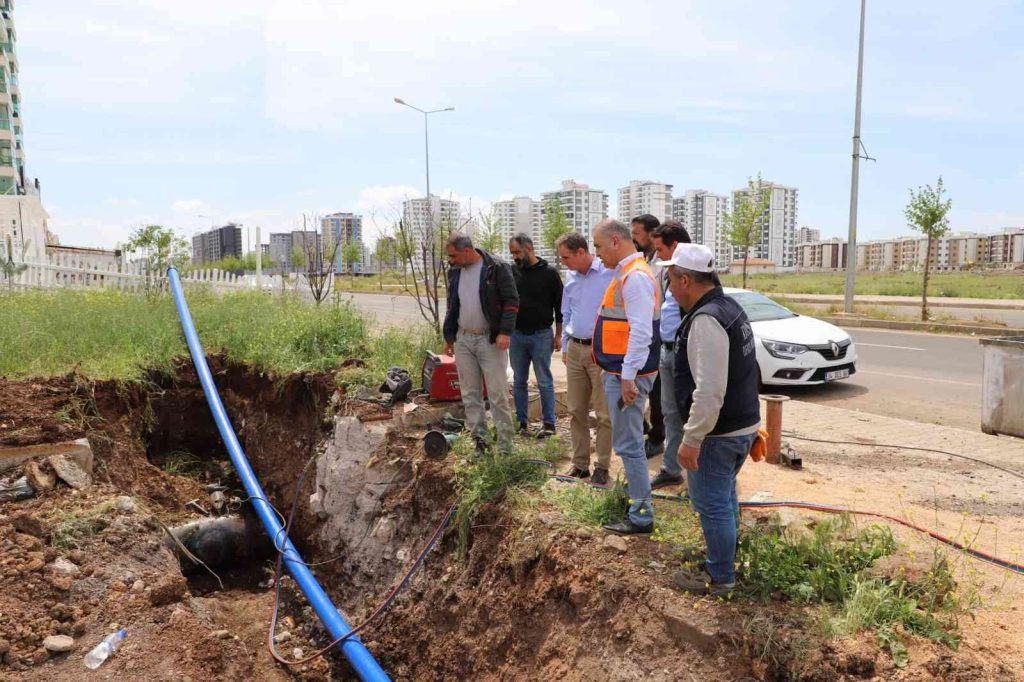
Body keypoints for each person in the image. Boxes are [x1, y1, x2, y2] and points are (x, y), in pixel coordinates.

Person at [658, 243, 761, 596]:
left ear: (685, 280)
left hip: (718, 433)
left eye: (670, 280)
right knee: (725, 497)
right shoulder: (729, 306)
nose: (669, 289)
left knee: (712, 503)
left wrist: (691, 438)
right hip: (741, 424)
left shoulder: (706, 320)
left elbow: (710, 390)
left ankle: (720, 578)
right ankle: (725, 559)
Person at [592, 219, 662, 535]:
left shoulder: (635, 278)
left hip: (626, 374)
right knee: (628, 441)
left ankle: (641, 515)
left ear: (616, 241)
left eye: (598, 246)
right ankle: (636, 501)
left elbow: (642, 332)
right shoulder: (629, 273)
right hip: (621, 371)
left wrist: (628, 377)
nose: (597, 254)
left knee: (629, 443)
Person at [442, 233, 519, 454]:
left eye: (453, 255)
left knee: (497, 395)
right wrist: (449, 337)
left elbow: (511, 301)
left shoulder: (496, 267)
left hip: (490, 339)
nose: (451, 260)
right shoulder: (455, 272)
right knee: (470, 394)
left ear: (467, 251)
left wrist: (505, 332)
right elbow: (452, 305)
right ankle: (481, 444)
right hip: (463, 339)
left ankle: (505, 448)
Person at [555, 232, 615, 486]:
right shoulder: (570, 276)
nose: (563, 262)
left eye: (566, 257)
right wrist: (567, 346)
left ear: (581, 252)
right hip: (576, 350)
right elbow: (567, 312)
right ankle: (580, 465)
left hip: (600, 351)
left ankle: (602, 466)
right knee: (576, 410)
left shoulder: (608, 272)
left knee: (603, 414)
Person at [647, 220, 692, 490]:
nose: (658, 255)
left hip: (685, 354)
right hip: (667, 351)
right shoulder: (667, 271)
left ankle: (699, 476)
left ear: (674, 245)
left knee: (692, 415)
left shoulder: (696, 271)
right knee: (670, 414)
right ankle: (671, 469)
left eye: (661, 249)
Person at [507, 234, 563, 437]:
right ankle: (522, 423)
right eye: (512, 253)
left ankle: (549, 425)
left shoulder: (549, 273)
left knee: (544, 381)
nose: (514, 257)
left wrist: (558, 336)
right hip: (517, 336)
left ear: (529, 248)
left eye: (517, 252)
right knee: (519, 381)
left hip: (541, 335)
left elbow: (560, 306)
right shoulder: (512, 271)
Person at [630, 213, 666, 459]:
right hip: (642, 332)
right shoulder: (641, 260)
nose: (633, 238)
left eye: (637, 234)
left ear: (653, 234)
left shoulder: (662, 264)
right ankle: (644, 429)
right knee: (640, 383)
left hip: (660, 333)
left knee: (658, 391)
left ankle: (657, 438)